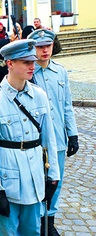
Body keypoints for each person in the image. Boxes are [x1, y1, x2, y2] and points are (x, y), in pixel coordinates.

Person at [0, 39, 60, 235]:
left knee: (32, 231)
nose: (32, 66)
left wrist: (53, 176)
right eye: (26, 62)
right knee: (6, 232)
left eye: (32, 61)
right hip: (8, 182)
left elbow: (49, 140)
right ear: (10, 64)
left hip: (35, 179)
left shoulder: (39, 96)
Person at [28, 29, 79, 236]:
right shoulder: (28, 73)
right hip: (36, 139)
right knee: (38, 181)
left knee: (56, 182)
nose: (44, 50)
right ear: (33, 49)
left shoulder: (60, 71)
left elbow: (67, 105)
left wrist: (72, 134)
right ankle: (39, 220)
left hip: (58, 137)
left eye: (47, 46)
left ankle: (50, 221)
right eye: (40, 47)